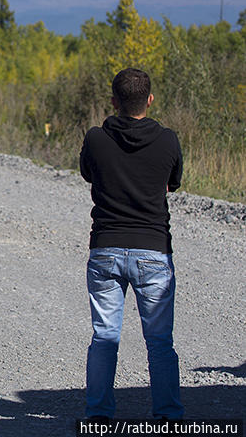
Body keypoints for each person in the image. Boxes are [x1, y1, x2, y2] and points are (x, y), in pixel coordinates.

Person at [80, 67, 184, 419]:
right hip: (153, 249)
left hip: (106, 247)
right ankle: (168, 414)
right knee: (159, 342)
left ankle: (99, 414)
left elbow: (88, 174)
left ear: (113, 101)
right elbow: (172, 182)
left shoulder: (95, 138)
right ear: (150, 100)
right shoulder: (168, 140)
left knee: (104, 337)